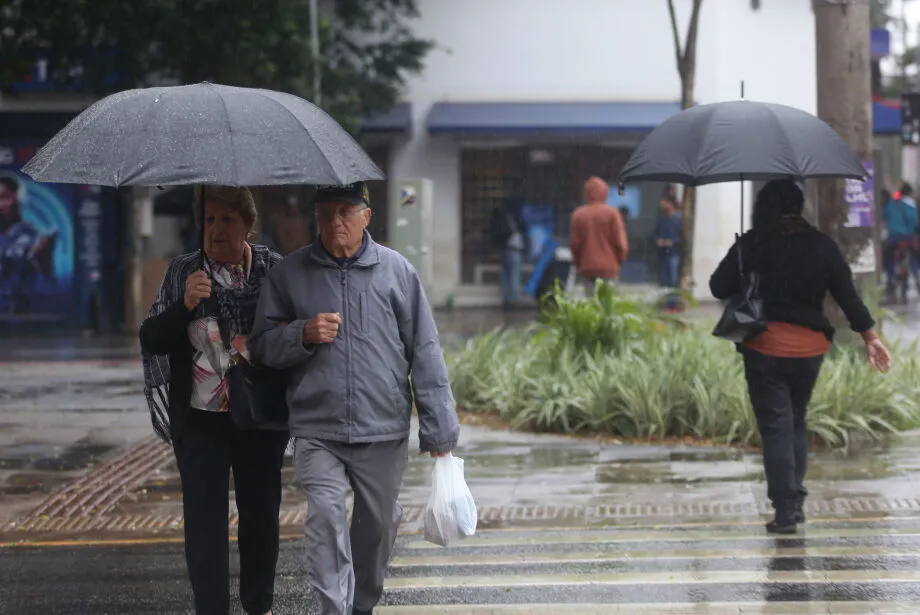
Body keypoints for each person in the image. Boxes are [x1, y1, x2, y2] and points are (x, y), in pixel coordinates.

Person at [249, 182, 461, 615]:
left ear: (367, 216)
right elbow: (261, 345)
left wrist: (439, 429)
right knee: (325, 517)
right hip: (317, 426)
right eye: (325, 213)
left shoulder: (397, 272)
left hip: (381, 427)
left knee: (378, 525)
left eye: (345, 212)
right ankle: (334, 609)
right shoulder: (290, 274)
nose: (334, 222)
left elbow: (425, 349)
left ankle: (361, 604)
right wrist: (302, 334)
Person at [710, 179, 891, 535]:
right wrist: (870, 337)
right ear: (799, 206)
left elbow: (718, 287)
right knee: (795, 419)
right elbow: (848, 296)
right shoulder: (822, 245)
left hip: (765, 347)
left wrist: (744, 260)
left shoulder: (754, 243)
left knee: (776, 425)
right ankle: (794, 502)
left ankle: (786, 509)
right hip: (810, 349)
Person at [139, 186, 288, 615]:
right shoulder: (185, 270)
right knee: (204, 528)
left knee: (260, 518)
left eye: (227, 220)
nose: (217, 230)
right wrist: (185, 304)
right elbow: (151, 337)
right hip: (200, 421)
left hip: (260, 416)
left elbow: (290, 335)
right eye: (209, 220)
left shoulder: (273, 270)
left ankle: (259, 605)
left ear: (248, 224)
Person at [0, 173, 57, 314]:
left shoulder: (31, 235)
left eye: (4, 198)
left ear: (18, 199)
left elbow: (48, 280)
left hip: (19, 310)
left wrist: (43, 258)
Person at [569, 176, 629, 294]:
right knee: (609, 302)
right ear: (605, 193)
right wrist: (619, 262)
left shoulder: (578, 215)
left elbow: (575, 244)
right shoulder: (612, 213)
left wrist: (579, 263)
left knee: (591, 301)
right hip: (609, 267)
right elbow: (621, 243)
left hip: (587, 267)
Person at [881, 182, 919, 299]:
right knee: (913, 257)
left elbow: (884, 215)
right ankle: (916, 276)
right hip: (907, 238)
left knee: (888, 258)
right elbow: (913, 221)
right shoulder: (910, 203)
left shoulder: (892, 203)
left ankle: (890, 277)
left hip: (893, 237)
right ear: (909, 192)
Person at [490, 195, 528, 309]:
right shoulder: (516, 218)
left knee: (505, 276)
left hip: (504, 249)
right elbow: (524, 229)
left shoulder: (501, 217)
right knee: (514, 275)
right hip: (514, 250)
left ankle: (506, 299)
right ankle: (515, 300)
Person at [655, 194, 682, 311]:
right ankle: (665, 305)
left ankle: (673, 305)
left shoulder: (679, 218)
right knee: (664, 280)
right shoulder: (661, 219)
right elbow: (655, 233)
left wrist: (673, 242)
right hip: (663, 253)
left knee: (673, 281)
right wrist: (658, 241)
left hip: (673, 253)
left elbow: (683, 236)